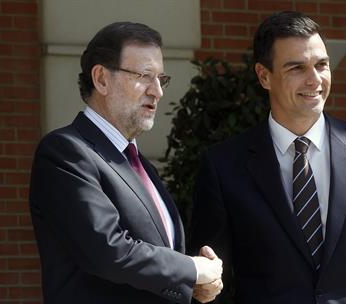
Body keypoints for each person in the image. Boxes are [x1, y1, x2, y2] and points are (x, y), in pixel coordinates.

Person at [191, 11, 346, 304]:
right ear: (264, 76)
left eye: (322, 65)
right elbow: (212, 284)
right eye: (297, 68)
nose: (314, 79)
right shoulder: (223, 166)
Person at [29, 21, 223, 304]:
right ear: (101, 79)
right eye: (145, 76)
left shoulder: (141, 165)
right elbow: (109, 251)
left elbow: (149, 266)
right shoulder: (65, 152)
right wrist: (192, 269)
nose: (157, 91)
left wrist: (191, 285)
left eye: (161, 79)